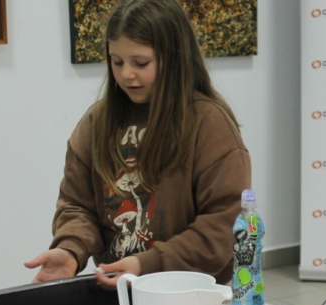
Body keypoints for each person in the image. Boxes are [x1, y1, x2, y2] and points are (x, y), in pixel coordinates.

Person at [25, 0, 251, 289]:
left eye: (141, 63)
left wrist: (147, 264)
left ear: (174, 59)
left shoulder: (209, 123)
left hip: (187, 294)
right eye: (117, 62)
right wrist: (71, 248)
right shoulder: (97, 122)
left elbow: (224, 224)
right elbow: (77, 205)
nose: (126, 74)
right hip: (116, 289)